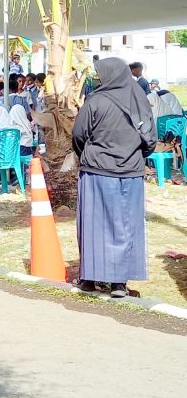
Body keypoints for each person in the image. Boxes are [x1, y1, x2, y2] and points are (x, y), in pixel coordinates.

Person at [72, 58, 156, 298]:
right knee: (126, 226)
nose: (97, 78)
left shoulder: (96, 100)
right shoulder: (139, 99)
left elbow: (79, 135)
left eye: (99, 74)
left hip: (97, 171)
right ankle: (119, 283)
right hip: (130, 172)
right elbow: (150, 139)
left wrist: (88, 154)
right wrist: (134, 156)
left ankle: (89, 278)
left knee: (93, 224)